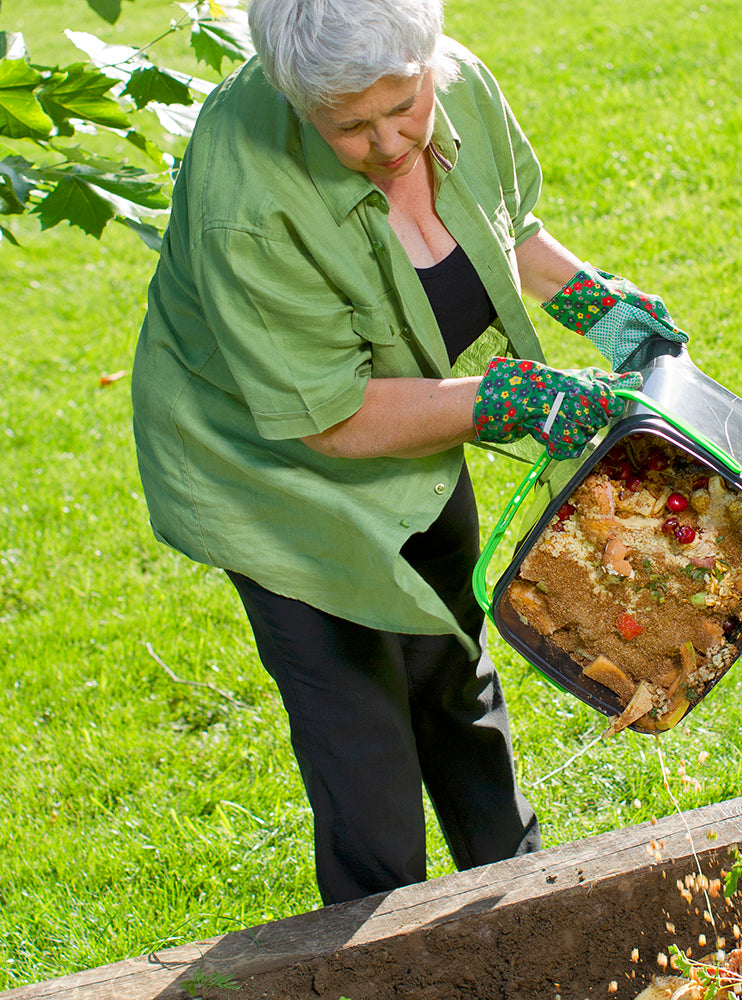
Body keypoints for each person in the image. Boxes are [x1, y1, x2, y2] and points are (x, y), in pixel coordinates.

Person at [131, 0, 687, 907]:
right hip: (275, 476)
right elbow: (332, 421)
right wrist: (506, 399)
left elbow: (504, 225)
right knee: (364, 750)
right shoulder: (252, 202)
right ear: (294, 97)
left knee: (455, 673)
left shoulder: (455, 80)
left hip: (415, 428)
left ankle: (517, 902)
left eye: (405, 105)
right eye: (349, 126)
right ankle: (377, 950)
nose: (391, 141)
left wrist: (596, 300)